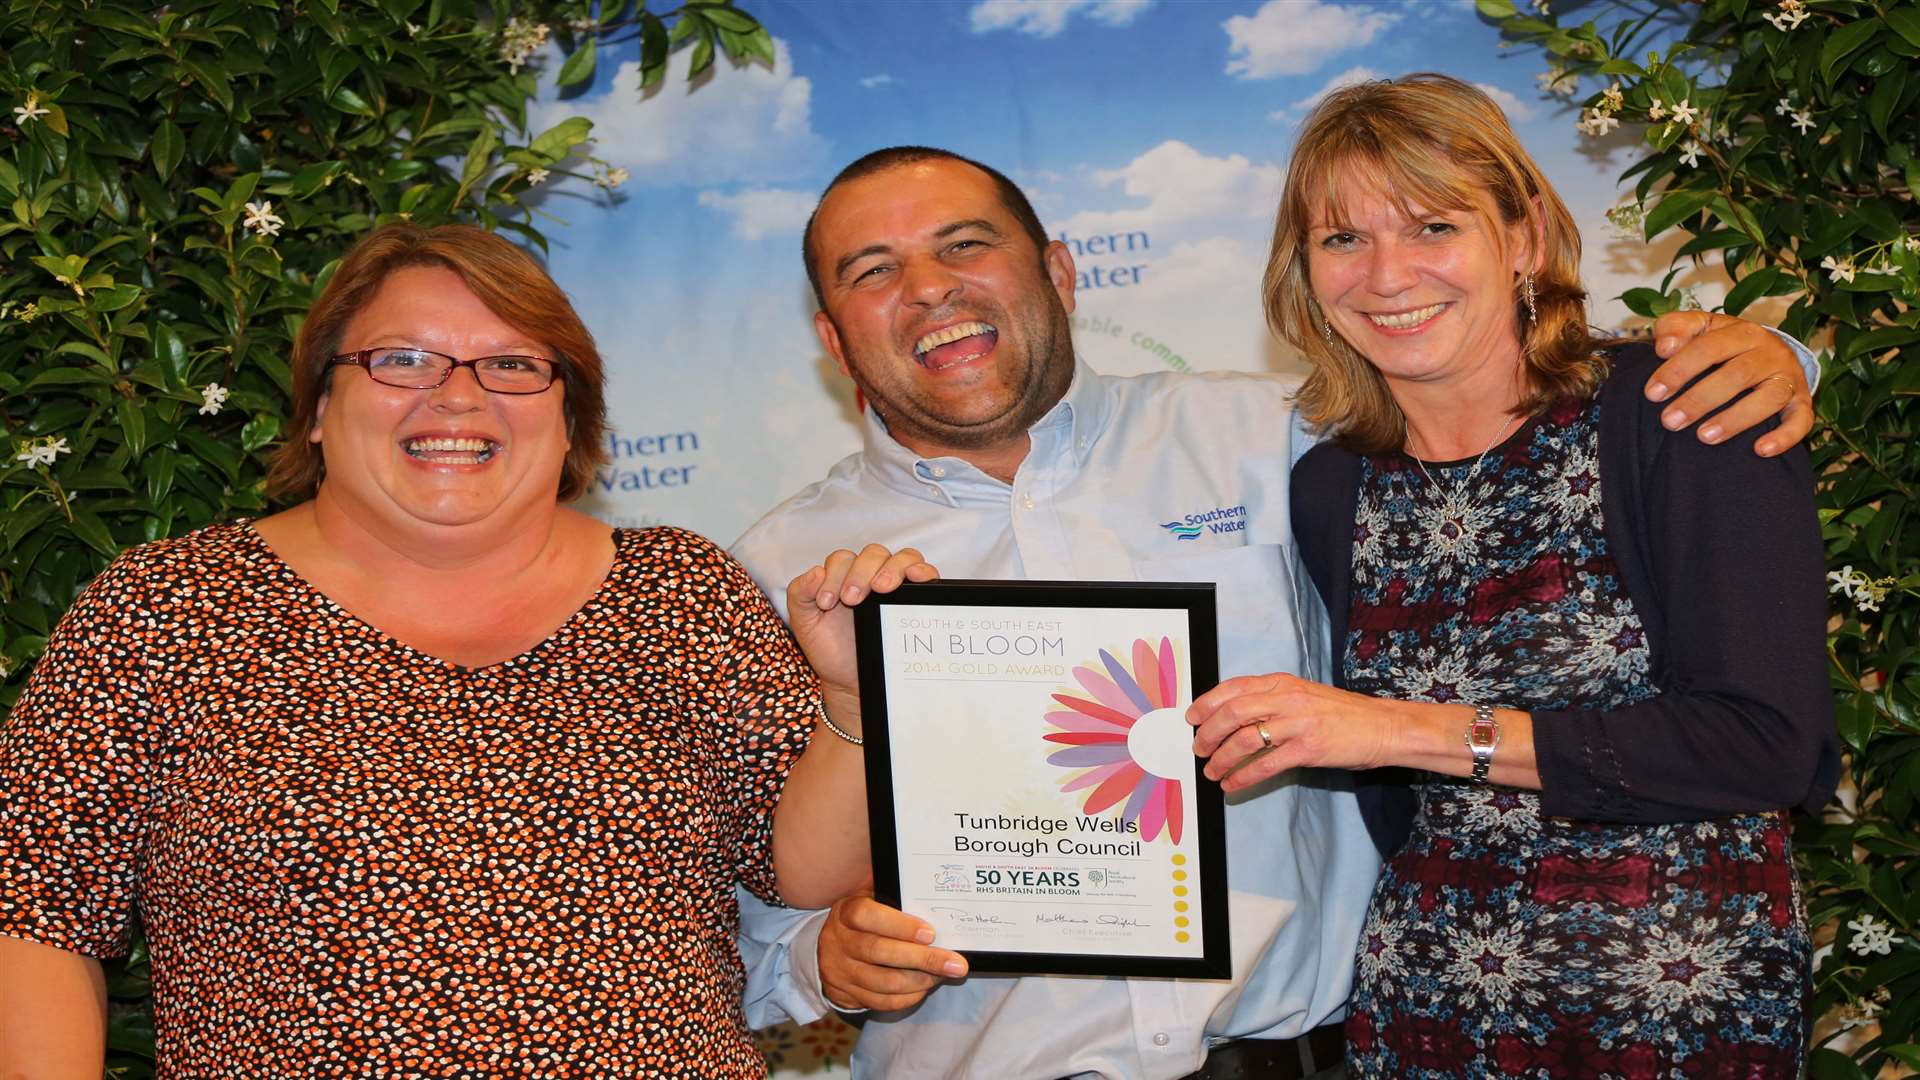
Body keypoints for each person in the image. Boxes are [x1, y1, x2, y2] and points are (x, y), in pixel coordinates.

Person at [731, 144, 1821, 1079]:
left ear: (1059, 273)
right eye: (875, 271)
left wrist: (1762, 360)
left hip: (1316, 1052)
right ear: (834, 339)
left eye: (967, 246)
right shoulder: (776, 569)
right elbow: (745, 903)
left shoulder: (1284, 436)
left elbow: (1497, 380)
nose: (930, 288)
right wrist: (817, 961)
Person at [0, 223, 891, 1078]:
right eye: (403, 359)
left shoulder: (684, 592)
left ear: (570, 413)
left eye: (511, 364)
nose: (459, 396)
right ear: (316, 405)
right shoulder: (167, 608)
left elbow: (801, 873)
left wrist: (849, 703)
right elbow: (31, 916)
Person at [1186, 74, 1835, 1076]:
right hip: (1426, 1005)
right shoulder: (1329, 485)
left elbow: (1765, 745)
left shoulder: (1678, 412)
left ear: (1524, 236)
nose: (1387, 275)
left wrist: (1400, 727)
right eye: (1343, 239)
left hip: (1677, 1013)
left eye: (1432, 226)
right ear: (1303, 269)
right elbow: (1399, 805)